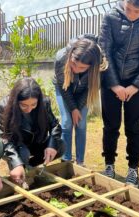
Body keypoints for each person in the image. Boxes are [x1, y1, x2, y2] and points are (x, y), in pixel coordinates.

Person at [98, 0, 139, 187]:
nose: (131, 14)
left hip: (137, 82)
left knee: (134, 127)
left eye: (137, 11)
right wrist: (114, 85)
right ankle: (109, 164)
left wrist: (136, 85)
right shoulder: (111, 16)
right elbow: (104, 51)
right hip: (112, 81)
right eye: (128, 9)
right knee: (110, 125)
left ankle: (133, 168)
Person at [0, 78, 65, 185]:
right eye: (24, 105)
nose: (29, 109)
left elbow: (55, 126)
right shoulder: (4, 105)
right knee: (23, 153)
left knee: (60, 145)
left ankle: (29, 167)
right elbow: (4, 137)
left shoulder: (44, 102)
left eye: (33, 105)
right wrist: (16, 162)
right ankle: (20, 168)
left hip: (36, 142)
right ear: (15, 100)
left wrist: (51, 145)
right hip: (17, 145)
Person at [54, 34, 107, 166]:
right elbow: (64, 88)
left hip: (84, 93)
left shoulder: (99, 65)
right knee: (66, 123)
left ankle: (80, 162)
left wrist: (78, 108)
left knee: (81, 124)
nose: (76, 70)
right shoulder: (61, 57)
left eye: (82, 68)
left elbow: (90, 89)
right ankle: (65, 159)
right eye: (73, 64)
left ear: (92, 66)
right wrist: (73, 108)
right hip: (64, 89)